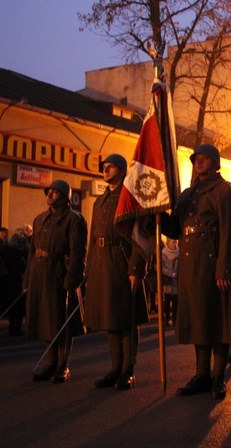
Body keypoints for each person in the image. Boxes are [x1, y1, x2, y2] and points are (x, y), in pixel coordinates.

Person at [164, 144, 231, 400]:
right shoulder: (187, 195)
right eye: (196, 158)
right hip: (190, 263)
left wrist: (225, 268)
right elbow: (176, 228)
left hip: (213, 263)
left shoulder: (225, 192)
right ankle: (201, 374)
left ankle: (218, 377)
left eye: (205, 158)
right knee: (199, 321)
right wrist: (154, 214)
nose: (199, 162)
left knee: (217, 320)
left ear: (215, 162)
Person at [84, 154, 147, 391]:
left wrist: (135, 268)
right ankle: (115, 367)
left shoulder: (129, 198)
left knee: (126, 319)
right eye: (103, 167)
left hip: (121, 261)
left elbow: (140, 236)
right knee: (111, 320)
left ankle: (128, 370)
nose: (105, 170)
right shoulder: (99, 202)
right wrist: (90, 268)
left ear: (121, 170)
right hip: (101, 264)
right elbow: (92, 238)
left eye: (109, 167)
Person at [24, 179, 88, 383]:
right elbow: (32, 251)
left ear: (65, 195)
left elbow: (78, 253)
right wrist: (27, 277)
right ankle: (50, 362)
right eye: (48, 192)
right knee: (45, 319)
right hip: (39, 272)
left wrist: (73, 278)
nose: (49, 195)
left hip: (59, 272)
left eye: (54, 192)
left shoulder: (74, 219)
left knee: (60, 320)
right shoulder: (40, 219)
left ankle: (63, 365)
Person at [0, 228, 29, 336]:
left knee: (21, 305)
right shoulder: (9, 249)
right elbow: (9, 264)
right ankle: (12, 327)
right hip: (13, 280)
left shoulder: (27, 250)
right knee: (13, 305)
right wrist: (18, 273)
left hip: (23, 279)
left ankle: (18, 327)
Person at [161, 238, 179, 327]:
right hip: (167, 281)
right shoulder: (163, 253)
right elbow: (161, 267)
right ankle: (167, 318)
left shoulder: (179, 253)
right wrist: (170, 273)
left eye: (175, 242)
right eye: (173, 242)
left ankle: (175, 319)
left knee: (176, 301)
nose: (175, 244)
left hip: (176, 282)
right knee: (167, 301)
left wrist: (177, 273)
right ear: (168, 243)